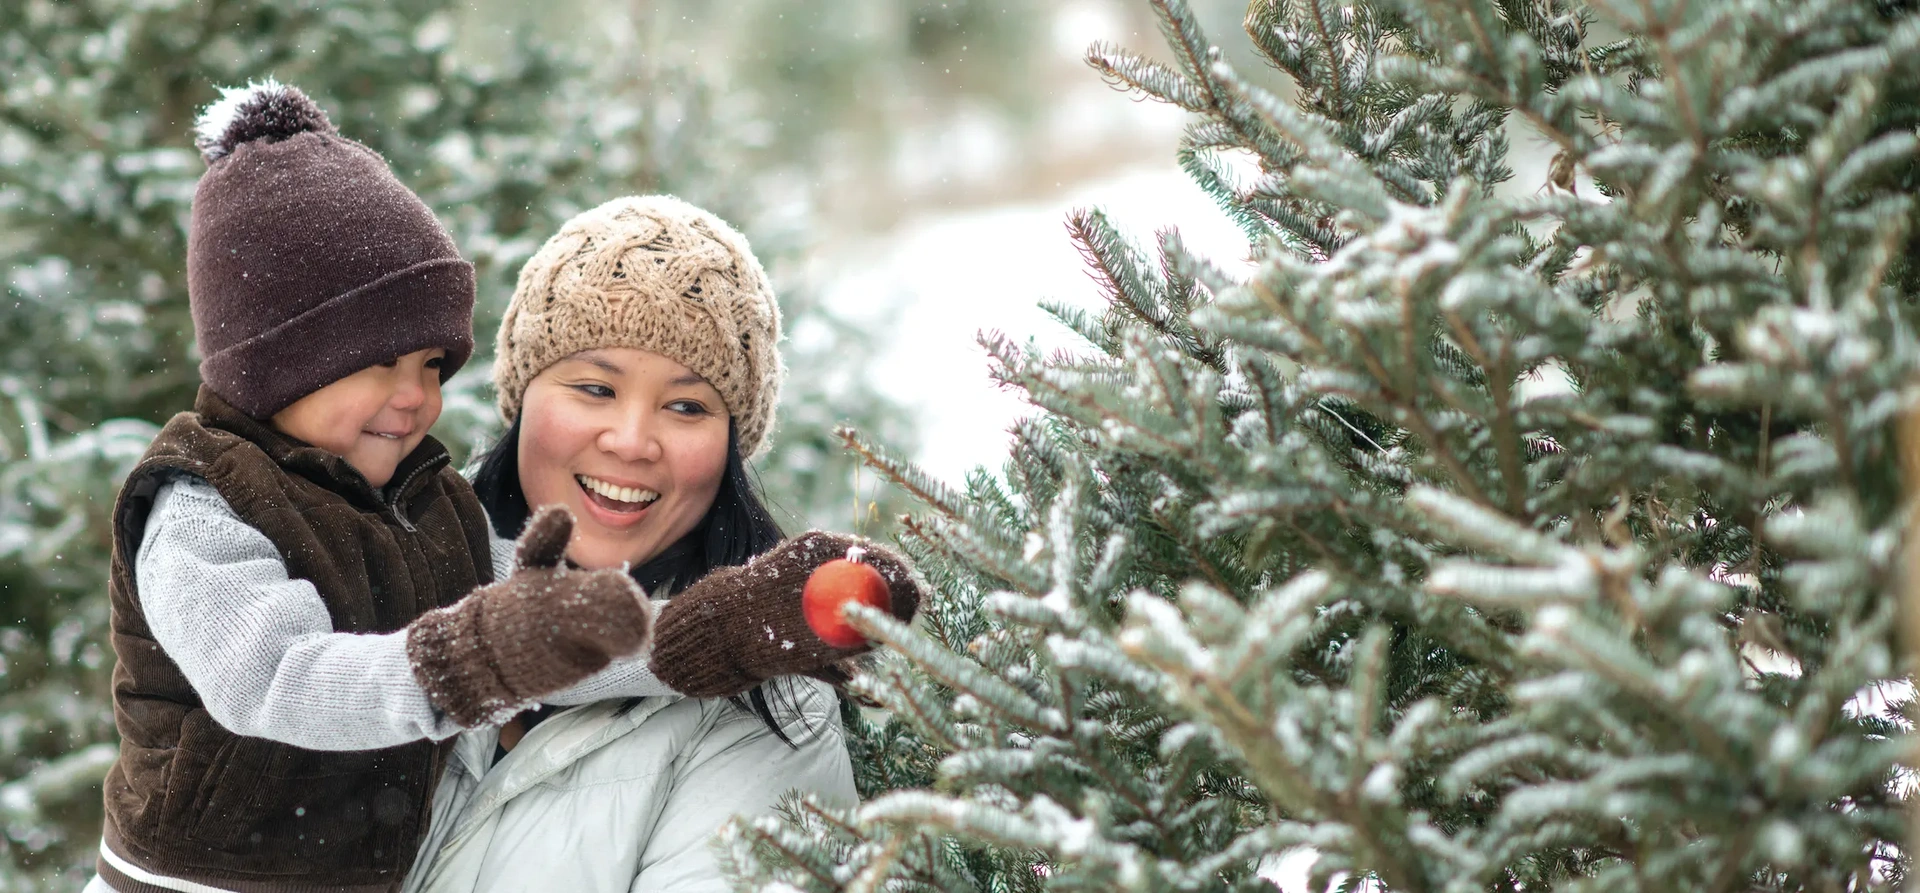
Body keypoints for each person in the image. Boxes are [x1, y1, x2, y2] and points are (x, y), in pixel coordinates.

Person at [84, 82, 664, 893]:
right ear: (280, 361)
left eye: (431, 365)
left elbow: (562, 635)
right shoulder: (200, 507)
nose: (417, 397)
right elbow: (275, 679)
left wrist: (727, 634)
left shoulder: (425, 505)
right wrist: (472, 660)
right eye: (381, 361)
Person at [400, 195, 926, 893]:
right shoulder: (379, 570)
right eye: (594, 387)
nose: (631, 441)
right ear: (522, 395)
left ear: (732, 444)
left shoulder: (768, 708)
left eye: (686, 406)